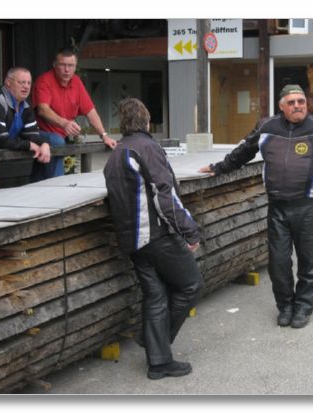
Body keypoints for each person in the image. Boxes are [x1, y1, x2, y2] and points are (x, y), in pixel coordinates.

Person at [199, 84, 313, 329]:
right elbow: (243, 152)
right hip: (278, 208)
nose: (297, 106)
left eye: (301, 101)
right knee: (278, 262)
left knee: (309, 261)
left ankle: (303, 307)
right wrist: (219, 167)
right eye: (291, 102)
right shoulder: (266, 127)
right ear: (281, 106)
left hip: (311, 206)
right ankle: (285, 306)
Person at [103, 98, 203, 379]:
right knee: (191, 285)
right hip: (156, 236)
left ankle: (158, 361)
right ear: (147, 122)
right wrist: (190, 231)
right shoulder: (147, 148)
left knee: (155, 296)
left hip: (131, 241)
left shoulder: (116, 153)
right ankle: (154, 342)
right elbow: (165, 197)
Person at [31, 47, 117, 181]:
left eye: (71, 65)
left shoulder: (76, 81)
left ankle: (35, 189)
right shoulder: (44, 80)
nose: (67, 70)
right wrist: (64, 123)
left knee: (41, 173)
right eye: (63, 65)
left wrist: (104, 135)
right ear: (54, 65)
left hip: (59, 137)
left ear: (75, 66)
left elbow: (90, 111)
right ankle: (58, 188)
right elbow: (43, 109)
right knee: (57, 142)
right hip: (38, 133)